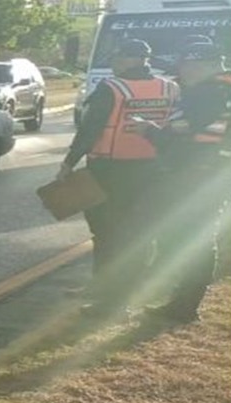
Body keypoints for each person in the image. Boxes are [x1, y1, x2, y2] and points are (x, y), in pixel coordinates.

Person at [55, 38, 181, 313]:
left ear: (134, 59)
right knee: (136, 233)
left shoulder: (112, 88)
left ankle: (107, 297)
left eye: (119, 57)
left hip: (109, 170)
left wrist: (67, 164)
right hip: (151, 169)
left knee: (105, 232)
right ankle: (120, 290)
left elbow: (89, 130)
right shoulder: (170, 87)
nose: (114, 62)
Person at [141, 42, 231, 322]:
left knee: (188, 239)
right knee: (197, 238)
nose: (181, 74)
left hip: (197, 175)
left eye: (184, 68)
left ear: (198, 65)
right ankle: (184, 302)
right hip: (216, 173)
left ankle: (184, 305)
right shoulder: (227, 87)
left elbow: (184, 134)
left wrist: (150, 132)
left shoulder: (207, 94)